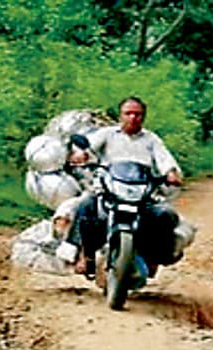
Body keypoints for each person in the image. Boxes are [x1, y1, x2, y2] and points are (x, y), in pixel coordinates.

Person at [63, 96, 184, 279]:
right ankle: (84, 255)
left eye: (137, 114)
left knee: (166, 215)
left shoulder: (151, 139)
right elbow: (88, 149)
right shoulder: (107, 134)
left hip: (142, 193)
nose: (133, 117)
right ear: (120, 115)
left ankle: (154, 258)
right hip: (109, 190)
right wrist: (81, 155)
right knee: (85, 205)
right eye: (128, 113)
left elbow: (165, 159)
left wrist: (171, 173)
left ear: (143, 117)